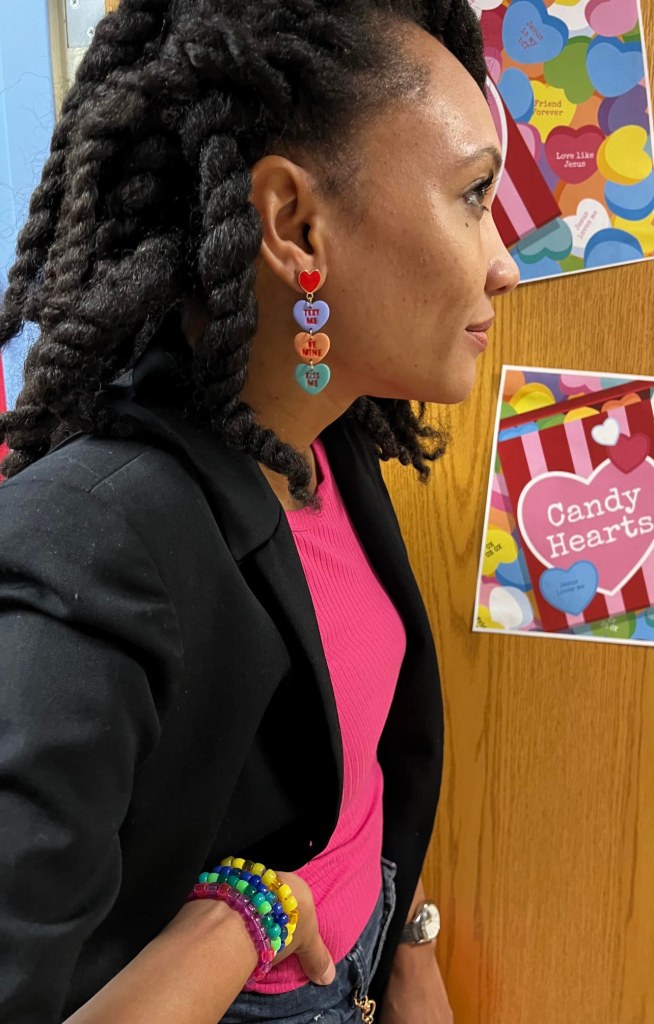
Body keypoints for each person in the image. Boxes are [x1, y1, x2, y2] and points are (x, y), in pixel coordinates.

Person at [0, 1, 520, 1021]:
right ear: (292, 223)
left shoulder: (321, 436)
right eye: (472, 196)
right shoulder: (88, 548)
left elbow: (347, 757)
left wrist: (406, 944)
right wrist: (246, 917)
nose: (504, 260)